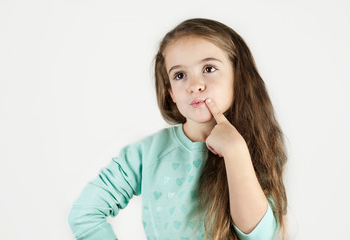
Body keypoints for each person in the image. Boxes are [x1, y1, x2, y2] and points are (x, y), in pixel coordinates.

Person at [68, 18, 288, 240]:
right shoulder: (145, 154)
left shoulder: (255, 148)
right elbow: (84, 214)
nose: (194, 85)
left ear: (238, 78)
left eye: (209, 68)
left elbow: (260, 235)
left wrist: (235, 152)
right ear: (171, 92)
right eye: (180, 75)